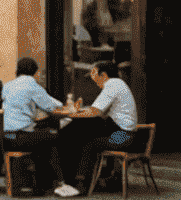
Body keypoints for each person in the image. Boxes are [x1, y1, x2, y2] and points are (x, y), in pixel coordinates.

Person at [58, 58, 139, 191]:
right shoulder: (117, 84)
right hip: (125, 132)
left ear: (104, 75)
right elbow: (99, 112)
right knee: (83, 135)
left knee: (81, 138)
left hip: (123, 135)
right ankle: (84, 181)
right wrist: (80, 112)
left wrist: (72, 114)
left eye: (94, 74)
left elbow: (95, 111)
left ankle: (81, 183)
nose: (92, 78)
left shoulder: (112, 84)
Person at [1, 56, 77, 197]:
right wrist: (69, 109)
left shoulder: (7, 86)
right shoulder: (33, 86)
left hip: (7, 136)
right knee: (53, 135)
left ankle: (47, 183)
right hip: (21, 137)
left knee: (45, 138)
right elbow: (52, 106)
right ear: (35, 72)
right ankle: (60, 182)